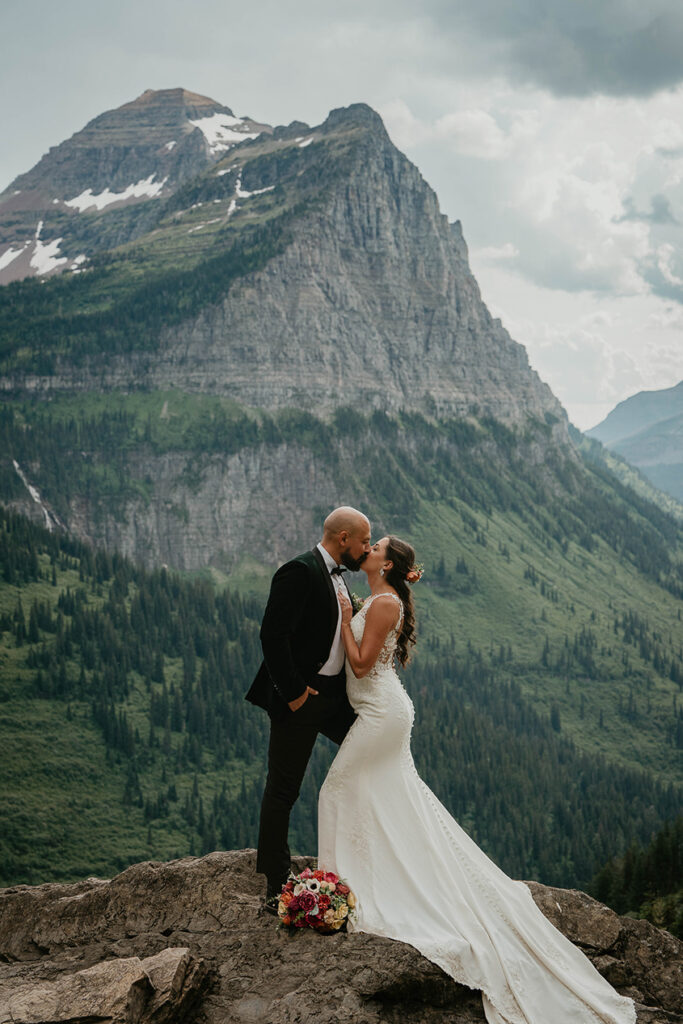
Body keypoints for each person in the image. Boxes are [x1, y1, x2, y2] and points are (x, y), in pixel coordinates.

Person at [318, 535, 636, 1024]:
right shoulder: (381, 599)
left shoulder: (382, 603)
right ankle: (363, 879)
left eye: (376, 545)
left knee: (336, 788)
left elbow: (360, 664)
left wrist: (344, 618)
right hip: (381, 711)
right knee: (387, 799)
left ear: (387, 563)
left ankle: (342, 887)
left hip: (382, 714)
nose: (369, 548)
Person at [246, 505, 372, 912]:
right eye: (364, 541)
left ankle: (365, 861)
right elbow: (272, 635)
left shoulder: (339, 578)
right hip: (301, 699)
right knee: (283, 790)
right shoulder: (298, 571)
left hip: (334, 698)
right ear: (343, 540)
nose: (366, 549)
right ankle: (274, 883)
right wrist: (296, 694)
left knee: (371, 755)